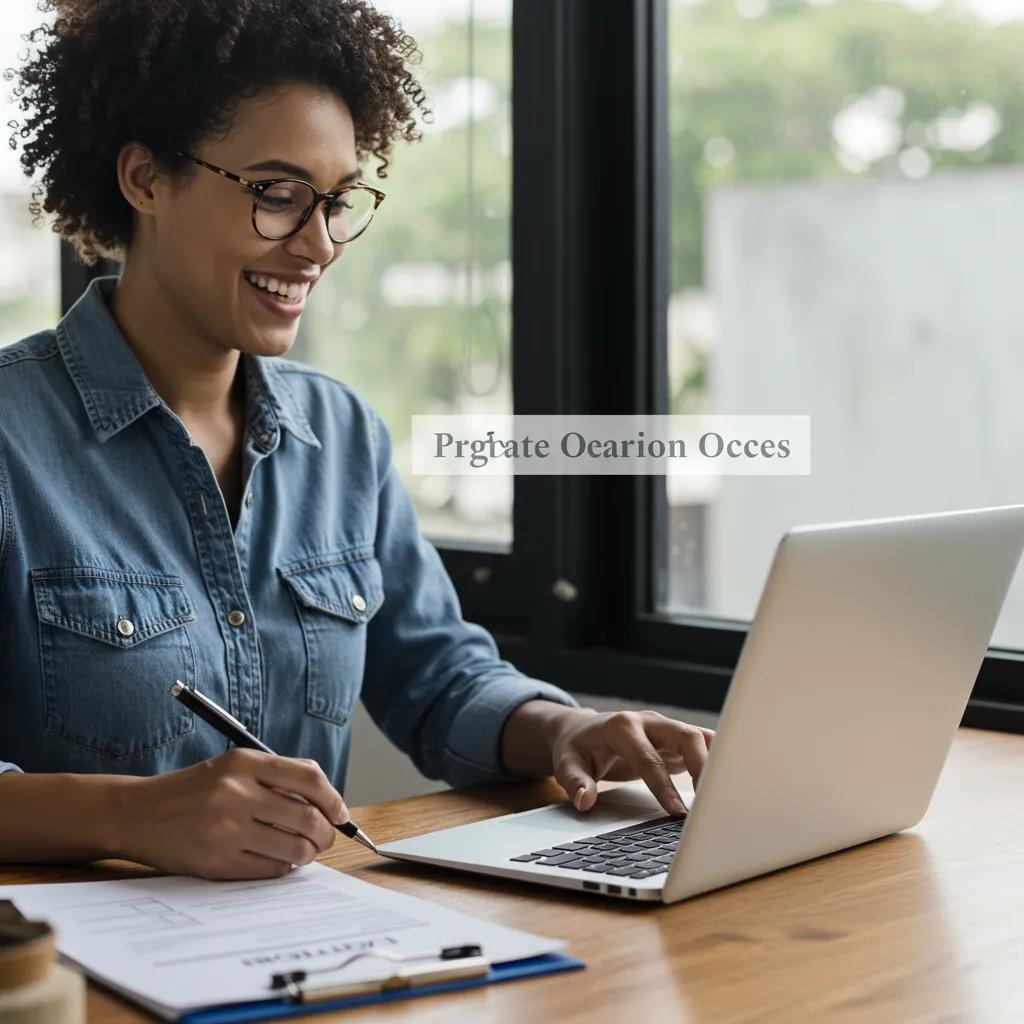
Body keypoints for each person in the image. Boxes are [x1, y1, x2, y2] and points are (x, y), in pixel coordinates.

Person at [0, 0, 714, 880]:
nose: (319, 244)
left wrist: (564, 729)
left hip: (307, 954)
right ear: (145, 179)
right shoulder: (10, 440)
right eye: (277, 195)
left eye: (337, 202)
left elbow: (440, 678)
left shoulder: (342, 437)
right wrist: (133, 814)